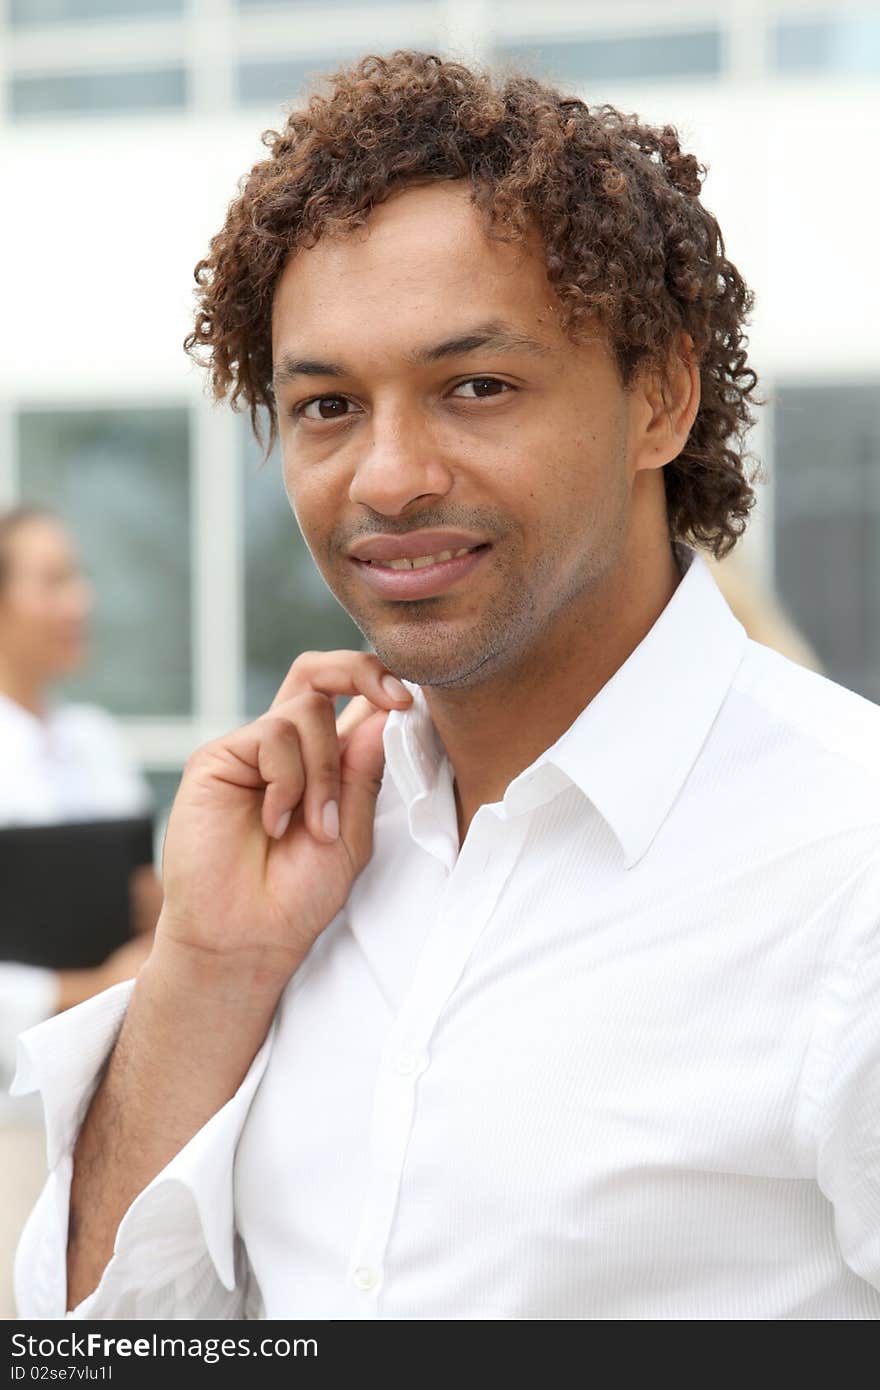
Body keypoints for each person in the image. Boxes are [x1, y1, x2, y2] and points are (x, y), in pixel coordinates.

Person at [14, 51, 880, 1320]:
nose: (386, 475)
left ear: (662, 399)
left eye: (474, 386)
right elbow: (98, 1341)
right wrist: (206, 966)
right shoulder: (294, 866)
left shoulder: (845, 862)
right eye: (324, 405)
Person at [0, 505, 158, 1319]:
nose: (81, 600)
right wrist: (87, 986)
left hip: (110, 1107)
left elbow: (143, 895)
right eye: (53, 580)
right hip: (10, 1128)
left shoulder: (94, 739)